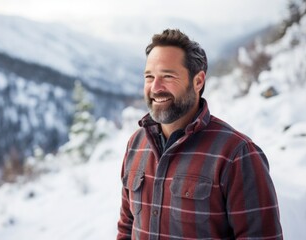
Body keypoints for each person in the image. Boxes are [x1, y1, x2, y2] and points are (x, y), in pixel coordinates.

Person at [117, 29, 283, 239]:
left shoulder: (237, 154)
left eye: (168, 76)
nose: (155, 87)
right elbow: (127, 226)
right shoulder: (136, 144)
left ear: (198, 81)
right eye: (149, 77)